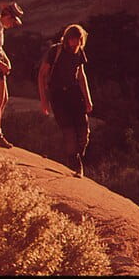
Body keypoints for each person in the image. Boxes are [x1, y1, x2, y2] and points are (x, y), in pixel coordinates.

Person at [38, 24, 93, 178]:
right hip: (58, 96)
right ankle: (75, 165)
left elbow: (81, 76)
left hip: (75, 94)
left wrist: (88, 99)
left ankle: (76, 156)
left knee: (84, 132)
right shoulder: (55, 51)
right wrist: (44, 100)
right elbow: (42, 75)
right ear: (67, 39)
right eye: (73, 40)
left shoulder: (79, 52)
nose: (75, 43)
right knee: (69, 132)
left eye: (78, 40)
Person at [0, 2, 24, 148]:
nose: (13, 24)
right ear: (6, 16)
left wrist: (6, 61)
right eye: (12, 20)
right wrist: (1, 65)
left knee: (3, 99)